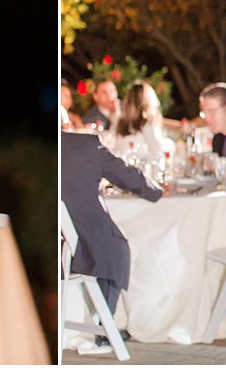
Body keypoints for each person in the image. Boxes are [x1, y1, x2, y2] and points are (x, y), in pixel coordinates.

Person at [60, 130, 163, 350]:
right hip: (85, 249)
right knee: (116, 246)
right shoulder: (85, 145)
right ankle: (105, 326)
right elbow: (124, 175)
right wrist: (156, 191)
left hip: (62, 248)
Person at [109, 81, 177, 163]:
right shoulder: (147, 123)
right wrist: (171, 144)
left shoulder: (121, 122)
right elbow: (158, 150)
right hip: (143, 170)